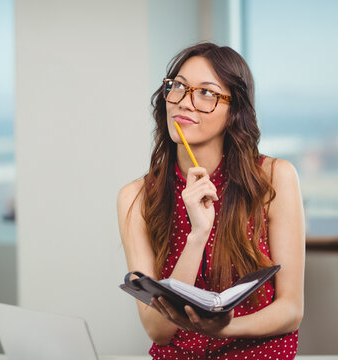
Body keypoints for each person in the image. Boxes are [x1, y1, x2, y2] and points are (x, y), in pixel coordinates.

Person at [117, 42, 305, 359]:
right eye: (177, 86)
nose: (184, 102)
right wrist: (196, 236)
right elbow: (157, 330)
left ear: (234, 110)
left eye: (206, 93)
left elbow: (291, 310)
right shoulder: (135, 197)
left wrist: (221, 328)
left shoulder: (274, 178)